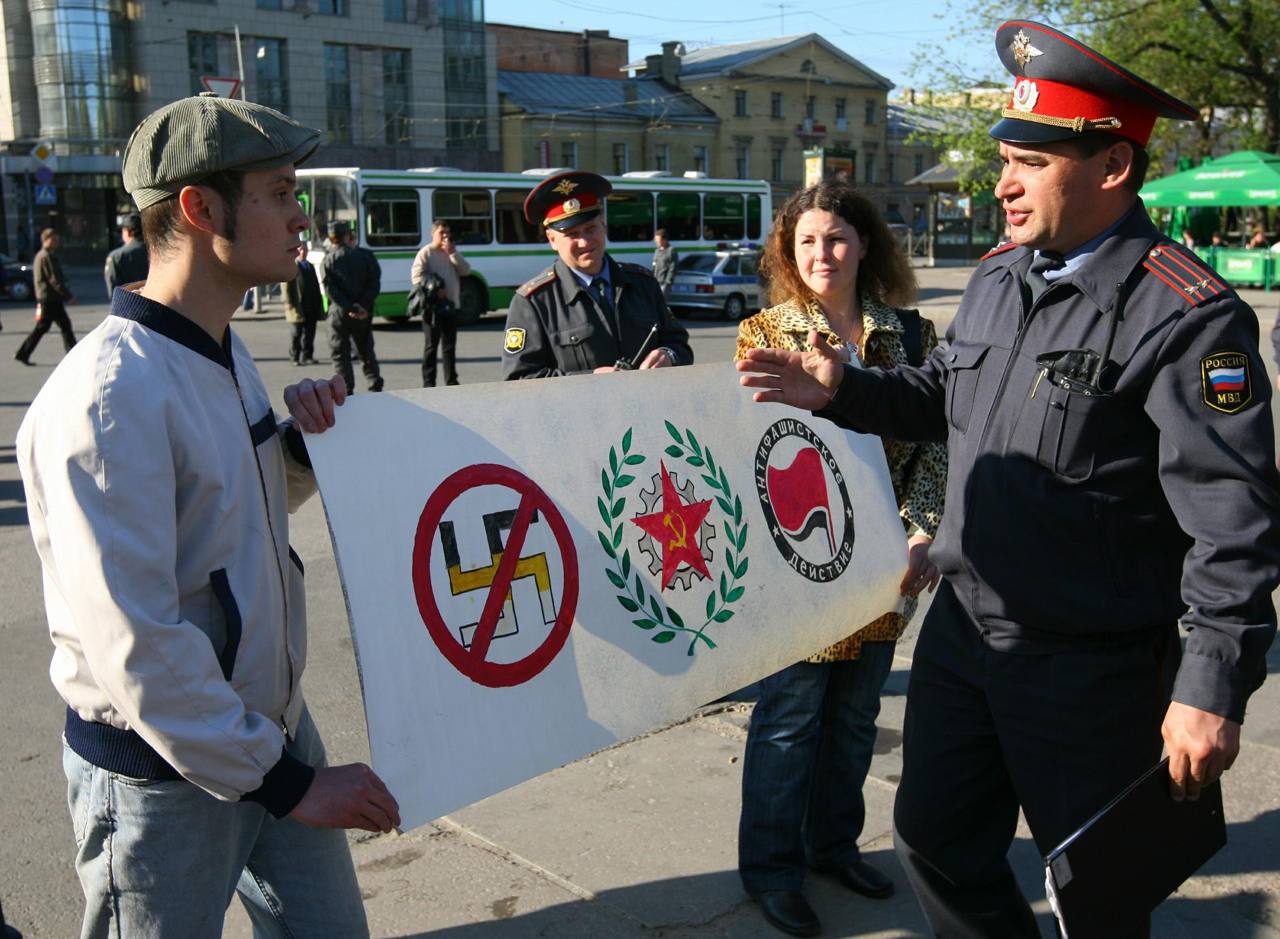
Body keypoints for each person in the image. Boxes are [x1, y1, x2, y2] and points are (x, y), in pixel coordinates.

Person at [737, 20, 1279, 937]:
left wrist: (1210, 684)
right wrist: (844, 391)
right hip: (964, 638)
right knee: (932, 839)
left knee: (1099, 896)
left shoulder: (1185, 315)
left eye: (1029, 162)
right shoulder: (997, 277)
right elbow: (942, 395)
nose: (1002, 184)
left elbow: (1237, 520)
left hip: (1091, 665)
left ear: (1111, 167)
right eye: (1006, 159)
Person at [16, 93, 400, 938]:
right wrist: (296, 785)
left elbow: (237, 521)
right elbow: (140, 646)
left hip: (270, 731)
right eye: (279, 191)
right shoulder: (107, 400)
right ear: (199, 208)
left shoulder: (221, 346)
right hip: (162, 777)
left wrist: (299, 452)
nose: (302, 214)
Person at [734, 179, 946, 938]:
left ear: (864, 244)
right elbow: (748, 457)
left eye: (836, 237)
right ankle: (771, 869)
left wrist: (923, 530)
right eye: (807, 242)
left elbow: (935, 443)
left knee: (855, 718)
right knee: (790, 719)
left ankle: (832, 847)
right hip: (800, 566)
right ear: (788, 255)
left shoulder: (913, 336)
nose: (823, 253)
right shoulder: (762, 334)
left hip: (888, 566)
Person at [503, 171, 692, 378]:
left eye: (590, 228)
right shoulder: (533, 302)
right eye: (572, 234)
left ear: (603, 226)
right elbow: (518, 379)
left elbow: (679, 344)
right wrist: (587, 379)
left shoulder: (643, 283)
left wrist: (669, 355)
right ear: (552, 240)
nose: (584, 241)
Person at [320, 221, 384, 393]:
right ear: (348, 236)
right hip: (363, 313)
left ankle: (346, 392)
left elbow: (330, 290)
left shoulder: (328, 260)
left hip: (339, 314)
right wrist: (362, 306)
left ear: (332, 239)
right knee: (366, 351)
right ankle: (374, 385)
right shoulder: (366, 256)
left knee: (340, 355)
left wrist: (349, 307)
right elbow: (374, 283)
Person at [411, 220, 471, 386]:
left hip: (451, 306)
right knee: (431, 347)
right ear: (433, 234)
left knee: (449, 347)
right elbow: (416, 276)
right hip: (432, 308)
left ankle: (451, 381)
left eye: (447, 233)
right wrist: (435, 288)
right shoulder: (426, 252)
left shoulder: (451, 251)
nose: (445, 236)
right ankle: (429, 383)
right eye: (441, 233)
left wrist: (452, 253)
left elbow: (466, 271)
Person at [14, 228, 76, 365]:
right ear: (46, 240)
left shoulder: (42, 255)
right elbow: (54, 279)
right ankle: (73, 355)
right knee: (63, 326)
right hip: (50, 299)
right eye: (54, 240)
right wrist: (68, 296)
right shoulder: (46, 256)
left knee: (44, 328)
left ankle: (22, 353)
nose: (56, 242)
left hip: (48, 298)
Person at [284, 242, 324, 365]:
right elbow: (286, 285)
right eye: (301, 250)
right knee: (296, 333)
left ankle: (307, 355)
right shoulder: (291, 266)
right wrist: (288, 301)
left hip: (311, 303)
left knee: (310, 332)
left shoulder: (310, 266)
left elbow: (316, 285)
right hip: (298, 305)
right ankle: (295, 357)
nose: (303, 252)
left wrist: (319, 302)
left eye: (305, 250)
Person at [103, 213, 150, 297]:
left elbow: (113, 290)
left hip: (127, 305)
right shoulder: (154, 252)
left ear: (128, 232)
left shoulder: (116, 256)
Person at [652, 228, 679, 300]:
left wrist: (668, 282)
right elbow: (654, 265)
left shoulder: (671, 251)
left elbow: (673, 268)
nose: (656, 242)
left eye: (658, 240)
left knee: (662, 301)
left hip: (664, 283)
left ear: (664, 240)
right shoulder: (657, 251)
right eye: (656, 240)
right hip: (656, 281)